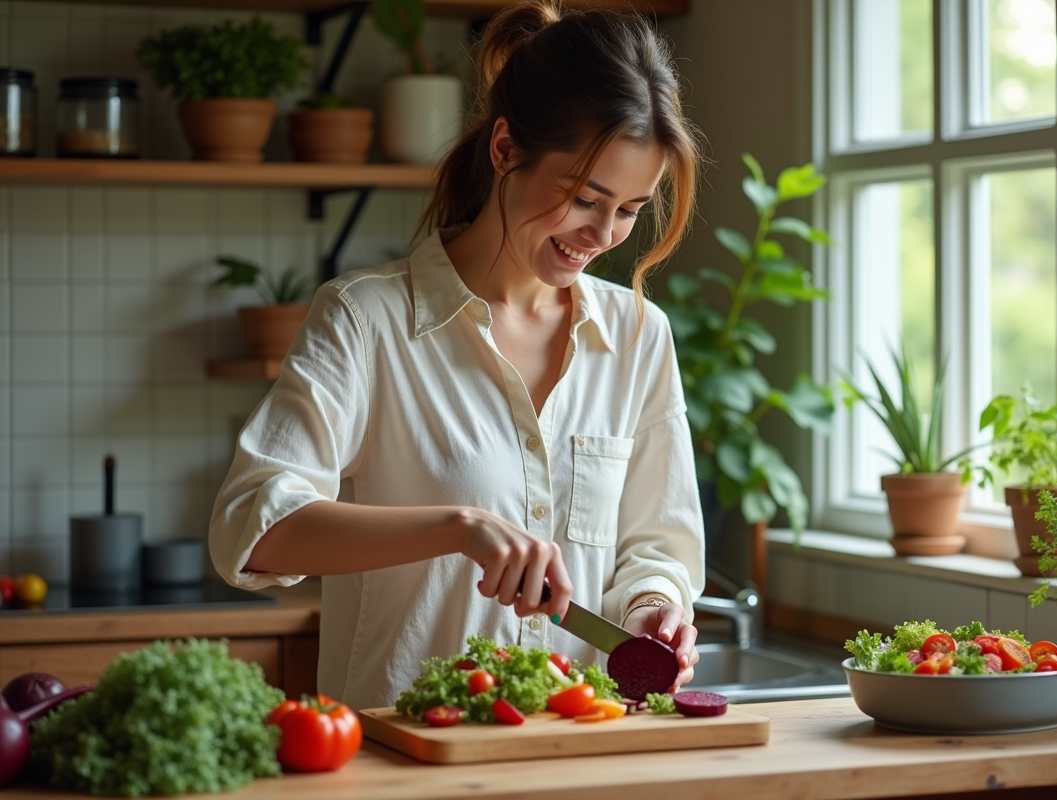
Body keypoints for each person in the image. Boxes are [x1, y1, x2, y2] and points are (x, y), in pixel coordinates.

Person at [210, 0, 706, 712]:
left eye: (629, 209)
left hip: (587, 754)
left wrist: (654, 607)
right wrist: (456, 526)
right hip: (409, 758)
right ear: (505, 148)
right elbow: (253, 529)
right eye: (582, 197)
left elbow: (657, 541)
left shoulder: (638, 335)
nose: (602, 234)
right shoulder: (366, 319)